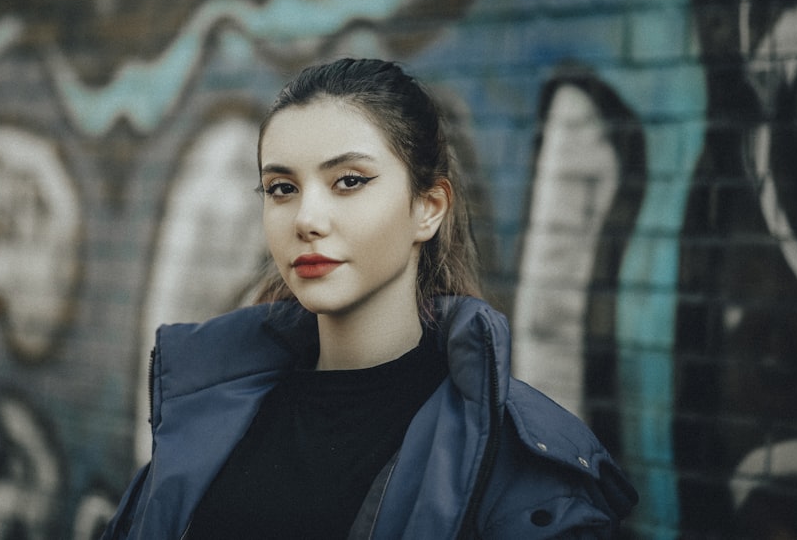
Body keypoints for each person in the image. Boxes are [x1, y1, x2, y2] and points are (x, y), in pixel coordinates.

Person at [101, 58, 638, 539]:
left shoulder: (519, 467)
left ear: (427, 207)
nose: (307, 220)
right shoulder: (209, 412)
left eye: (349, 181)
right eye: (282, 188)